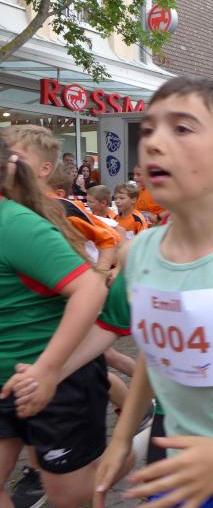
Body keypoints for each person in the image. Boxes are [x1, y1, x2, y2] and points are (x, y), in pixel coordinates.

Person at [28, 76, 213, 507]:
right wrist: (122, 439)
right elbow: (157, 357)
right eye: (150, 129)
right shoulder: (138, 254)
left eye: (182, 128)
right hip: (177, 468)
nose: (153, 143)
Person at [0, 139, 118, 508]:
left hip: (55, 379)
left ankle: (117, 460)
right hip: (6, 382)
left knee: (68, 498)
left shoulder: (14, 224)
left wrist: (48, 370)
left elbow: (91, 290)